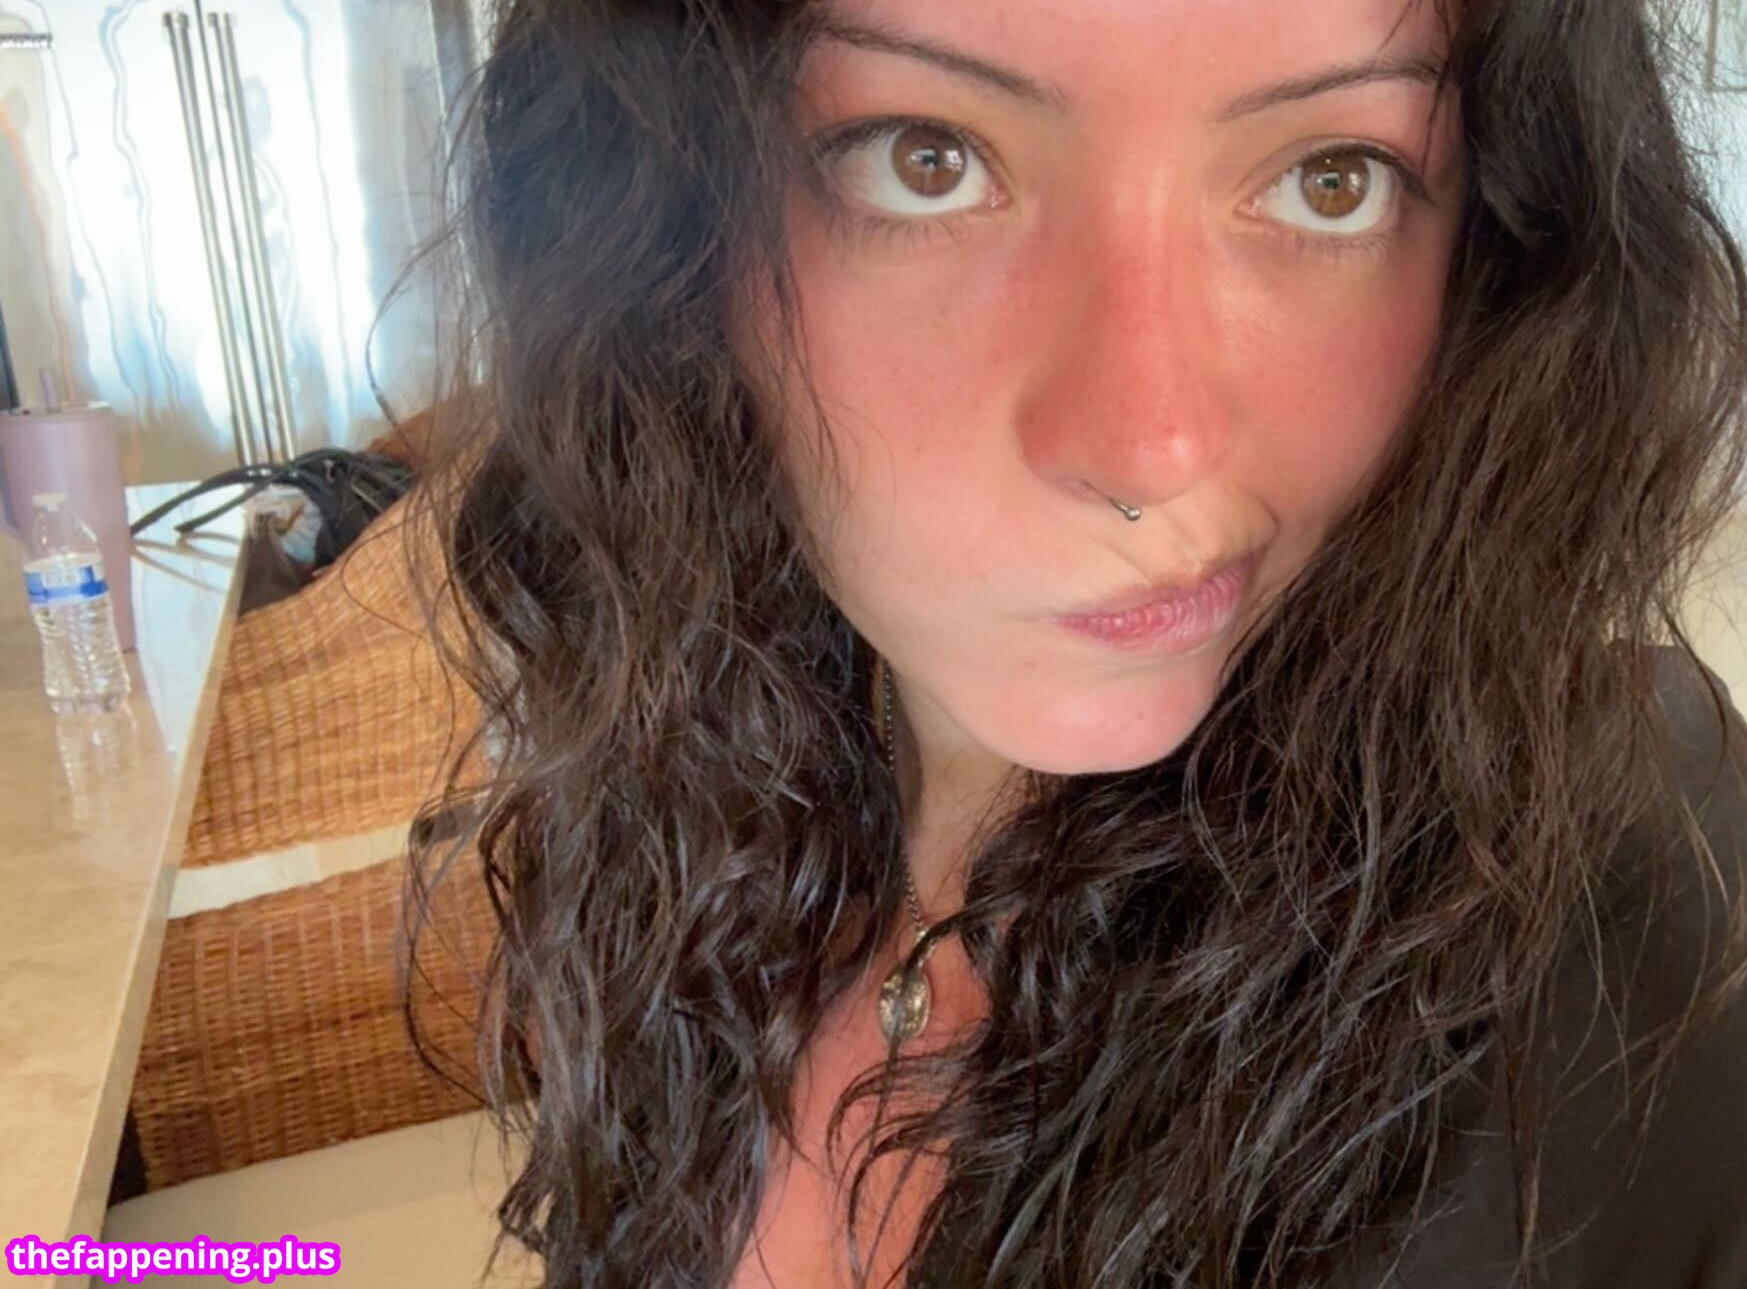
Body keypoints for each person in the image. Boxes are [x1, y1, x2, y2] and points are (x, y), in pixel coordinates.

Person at [405, 0, 1747, 1284]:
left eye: (1330, 180)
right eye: (926, 160)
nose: (1146, 449)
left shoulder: (1630, 900)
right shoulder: (684, 783)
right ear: (670, 235)